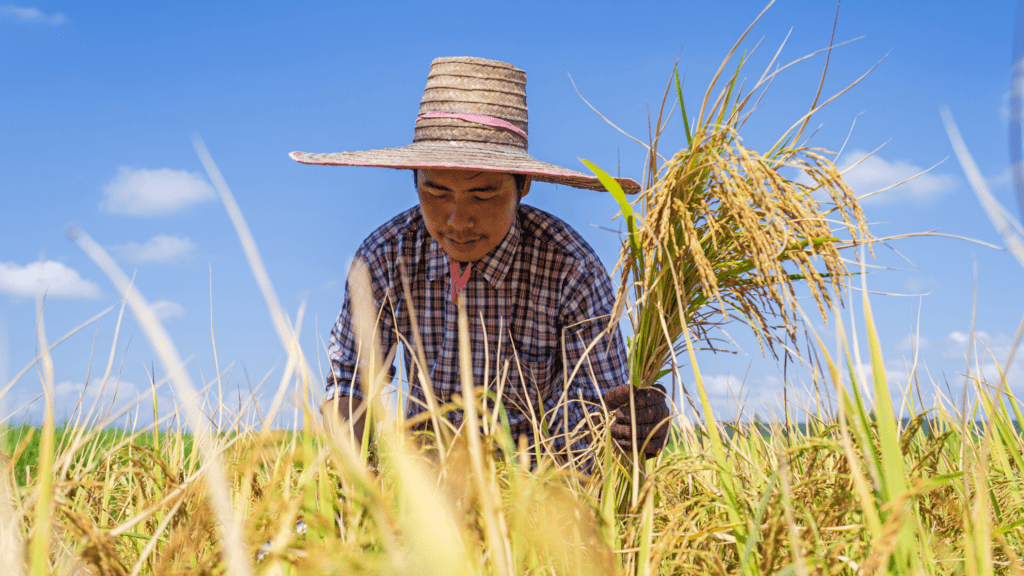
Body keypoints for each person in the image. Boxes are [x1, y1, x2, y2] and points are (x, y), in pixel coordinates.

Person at [290, 56, 670, 460]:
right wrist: (362, 490)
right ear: (414, 180)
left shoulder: (571, 269)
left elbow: (596, 411)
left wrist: (634, 426)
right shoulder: (386, 257)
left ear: (523, 185)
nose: (457, 221)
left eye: (483, 195)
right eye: (436, 193)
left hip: (544, 491)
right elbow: (351, 382)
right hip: (428, 491)